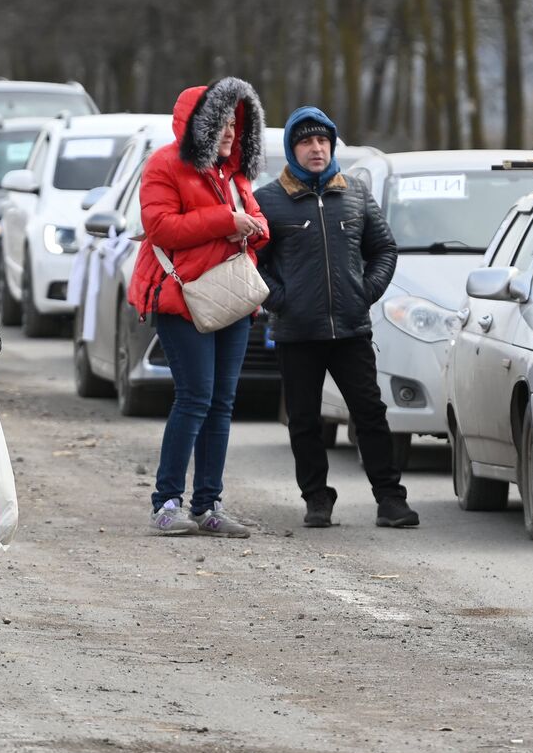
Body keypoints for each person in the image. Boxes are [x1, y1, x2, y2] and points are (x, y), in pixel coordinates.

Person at [255, 106, 418, 530]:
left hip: (350, 329)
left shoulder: (356, 192)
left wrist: (365, 293)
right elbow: (253, 262)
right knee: (305, 421)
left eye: (323, 141)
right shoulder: (269, 200)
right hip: (297, 331)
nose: (317, 148)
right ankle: (317, 499)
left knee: (370, 413)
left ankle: (390, 500)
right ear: (293, 148)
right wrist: (280, 298)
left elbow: (384, 249)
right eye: (307, 141)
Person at [128, 78, 269, 538]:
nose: (230, 132)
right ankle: (166, 503)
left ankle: (209, 504)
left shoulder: (234, 172)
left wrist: (251, 227)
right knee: (195, 399)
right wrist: (227, 222)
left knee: (221, 404)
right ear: (198, 123)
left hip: (230, 297)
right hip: (181, 297)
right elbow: (161, 226)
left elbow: (260, 221)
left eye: (235, 122)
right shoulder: (165, 164)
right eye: (221, 122)